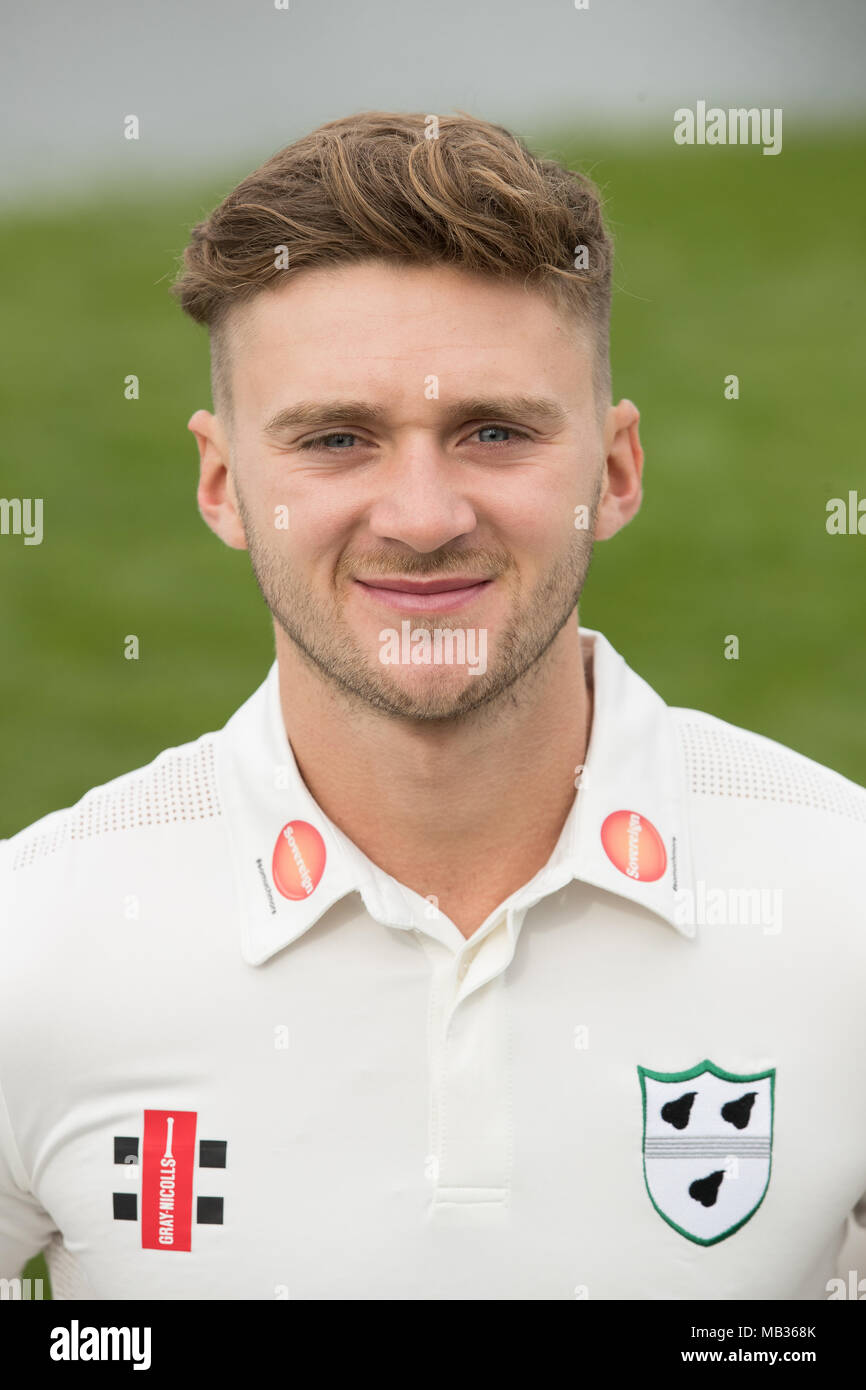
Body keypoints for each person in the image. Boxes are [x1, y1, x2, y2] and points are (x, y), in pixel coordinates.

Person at [1, 111, 864, 1301]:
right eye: (337, 438)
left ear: (612, 473)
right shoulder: (34, 945)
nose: (419, 515)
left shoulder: (842, 905)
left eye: (493, 432)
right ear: (222, 484)